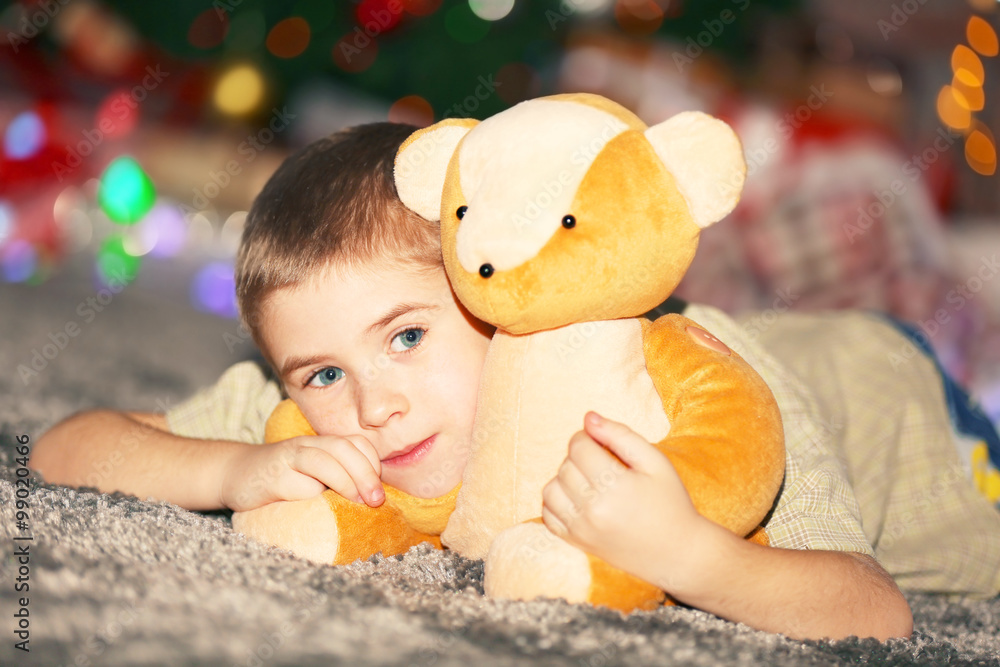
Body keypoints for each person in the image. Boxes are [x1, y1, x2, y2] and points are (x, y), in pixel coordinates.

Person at [41, 120, 1000, 643]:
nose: (375, 405)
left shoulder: (687, 382)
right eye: (326, 371)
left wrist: (691, 555)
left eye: (408, 336)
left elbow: (877, 611)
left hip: (908, 402)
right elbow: (64, 445)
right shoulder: (320, 414)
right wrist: (227, 473)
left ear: (493, 293)